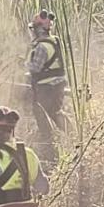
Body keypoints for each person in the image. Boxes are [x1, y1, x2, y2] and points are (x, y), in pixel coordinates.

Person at [26, 10, 66, 144]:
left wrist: (25, 64)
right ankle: (74, 134)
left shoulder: (41, 46)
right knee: (56, 112)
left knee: (41, 112)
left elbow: (35, 68)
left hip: (46, 87)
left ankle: (48, 142)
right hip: (58, 84)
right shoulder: (54, 41)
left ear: (38, 29)